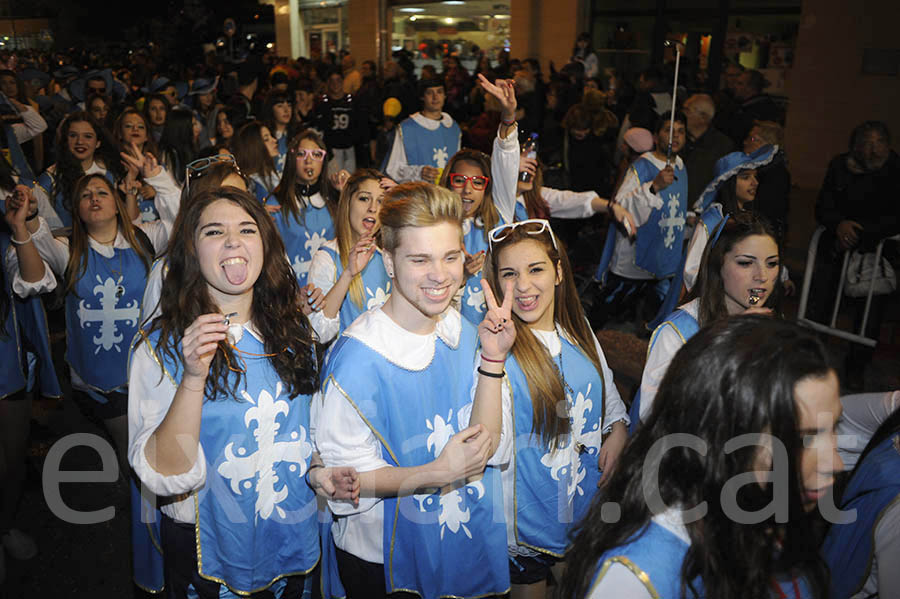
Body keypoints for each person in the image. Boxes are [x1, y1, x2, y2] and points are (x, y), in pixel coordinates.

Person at [129, 186, 358, 596]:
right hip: (208, 552)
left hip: (292, 539)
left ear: (266, 246)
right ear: (191, 251)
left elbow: (304, 434)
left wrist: (322, 471)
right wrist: (194, 377)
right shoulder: (159, 348)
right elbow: (164, 472)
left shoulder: (294, 332)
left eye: (247, 230)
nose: (233, 241)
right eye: (214, 232)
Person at [315, 181, 514, 599]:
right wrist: (435, 474)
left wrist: (493, 361)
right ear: (388, 261)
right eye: (420, 259)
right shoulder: (358, 359)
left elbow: (487, 444)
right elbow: (346, 481)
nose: (440, 275)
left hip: (460, 539)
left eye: (450, 256)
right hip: (384, 560)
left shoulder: (462, 329)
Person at [561, 315, 842, 599]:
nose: (836, 464)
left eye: (835, 429)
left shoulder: (765, 510)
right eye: (804, 439)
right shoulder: (639, 577)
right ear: (726, 436)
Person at [483, 219, 628, 597]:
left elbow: (605, 386)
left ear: (559, 271)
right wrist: (492, 361)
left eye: (536, 269)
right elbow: (490, 448)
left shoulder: (576, 327)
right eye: (510, 274)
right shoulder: (497, 350)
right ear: (497, 282)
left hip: (581, 505)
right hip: (527, 522)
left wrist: (618, 428)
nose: (525, 286)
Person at [11, 158, 179, 473]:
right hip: (98, 384)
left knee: (152, 454)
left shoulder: (145, 238)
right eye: (86, 195)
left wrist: (158, 178)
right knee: (137, 455)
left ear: (117, 204)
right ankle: (142, 511)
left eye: (102, 192)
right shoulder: (68, 250)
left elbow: (183, 221)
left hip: (147, 376)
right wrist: (28, 216)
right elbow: (38, 240)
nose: (94, 198)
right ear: (78, 209)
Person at [637, 214, 782, 425]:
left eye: (772, 263)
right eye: (745, 263)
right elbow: (657, 414)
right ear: (717, 265)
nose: (762, 276)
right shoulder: (679, 332)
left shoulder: (769, 326)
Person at [813, 121, 900, 389]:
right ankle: (813, 361)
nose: (871, 149)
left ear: (887, 145)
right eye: (865, 142)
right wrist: (839, 225)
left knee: (869, 316)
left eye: (878, 143)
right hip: (836, 248)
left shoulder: (896, 170)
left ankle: (856, 368)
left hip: (877, 251)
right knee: (821, 305)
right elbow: (824, 205)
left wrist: (860, 233)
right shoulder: (841, 166)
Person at [1, 188, 56, 584]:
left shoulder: (4, 226)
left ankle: (4, 524)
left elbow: (34, 282)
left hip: (5, 366)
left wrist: (19, 226)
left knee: (11, 459)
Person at [591, 111, 689, 330]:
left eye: (681, 132)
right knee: (608, 310)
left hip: (663, 258)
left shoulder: (681, 166)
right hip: (633, 259)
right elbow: (621, 206)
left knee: (657, 318)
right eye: (668, 130)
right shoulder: (643, 167)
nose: (675, 137)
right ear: (655, 136)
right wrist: (653, 187)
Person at [438, 75, 520, 325]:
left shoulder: (499, 215)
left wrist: (507, 117)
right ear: (447, 182)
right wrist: (461, 275)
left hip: (498, 330)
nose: (467, 190)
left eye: (477, 182)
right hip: (451, 332)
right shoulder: (435, 227)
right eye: (459, 180)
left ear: (487, 188)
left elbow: (506, 156)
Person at [307, 169, 392, 344]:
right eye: (364, 198)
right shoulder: (327, 257)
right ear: (347, 203)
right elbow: (318, 333)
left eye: (381, 202)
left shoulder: (389, 258)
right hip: (346, 367)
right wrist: (348, 274)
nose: (373, 208)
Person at [682, 145, 778, 294]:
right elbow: (691, 271)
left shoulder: (750, 219)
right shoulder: (711, 221)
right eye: (746, 177)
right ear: (729, 182)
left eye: (755, 177)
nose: (755, 183)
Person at [270, 130, 338, 286]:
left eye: (316, 154)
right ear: (292, 159)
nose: (309, 161)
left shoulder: (335, 200)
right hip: (293, 290)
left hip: (332, 289)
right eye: (302, 154)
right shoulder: (276, 204)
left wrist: (347, 191)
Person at [34, 111, 122, 229]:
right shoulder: (49, 179)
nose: (80, 142)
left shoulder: (110, 174)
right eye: (73, 135)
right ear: (65, 140)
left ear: (98, 143)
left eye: (88, 136)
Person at [384, 77, 461, 183]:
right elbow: (393, 169)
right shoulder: (407, 129)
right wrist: (419, 172)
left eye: (439, 92)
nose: (435, 97)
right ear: (422, 97)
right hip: (417, 193)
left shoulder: (453, 128)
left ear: (445, 95)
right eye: (430, 93)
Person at [681, 93, 735, 207]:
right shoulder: (679, 140)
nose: (682, 114)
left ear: (703, 118)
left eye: (687, 110)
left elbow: (726, 186)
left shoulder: (722, 146)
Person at [742, 121, 791, 243]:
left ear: (768, 145)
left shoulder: (776, 175)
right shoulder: (746, 167)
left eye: (752, 139)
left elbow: (763, 214)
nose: (745, 142)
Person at [114, 108, 161, 222]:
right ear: (120, 133)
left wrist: (157, 193)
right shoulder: (111, 167)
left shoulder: (157, 167)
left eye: (140, 127)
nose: (135, 129)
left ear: (146, 136)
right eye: (129, 126)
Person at [231, 120, 281, 202]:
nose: (274, 140)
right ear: (254, 147)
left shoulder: (271, 173)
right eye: (266, 139)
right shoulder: (248, 183)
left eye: (271, 136)